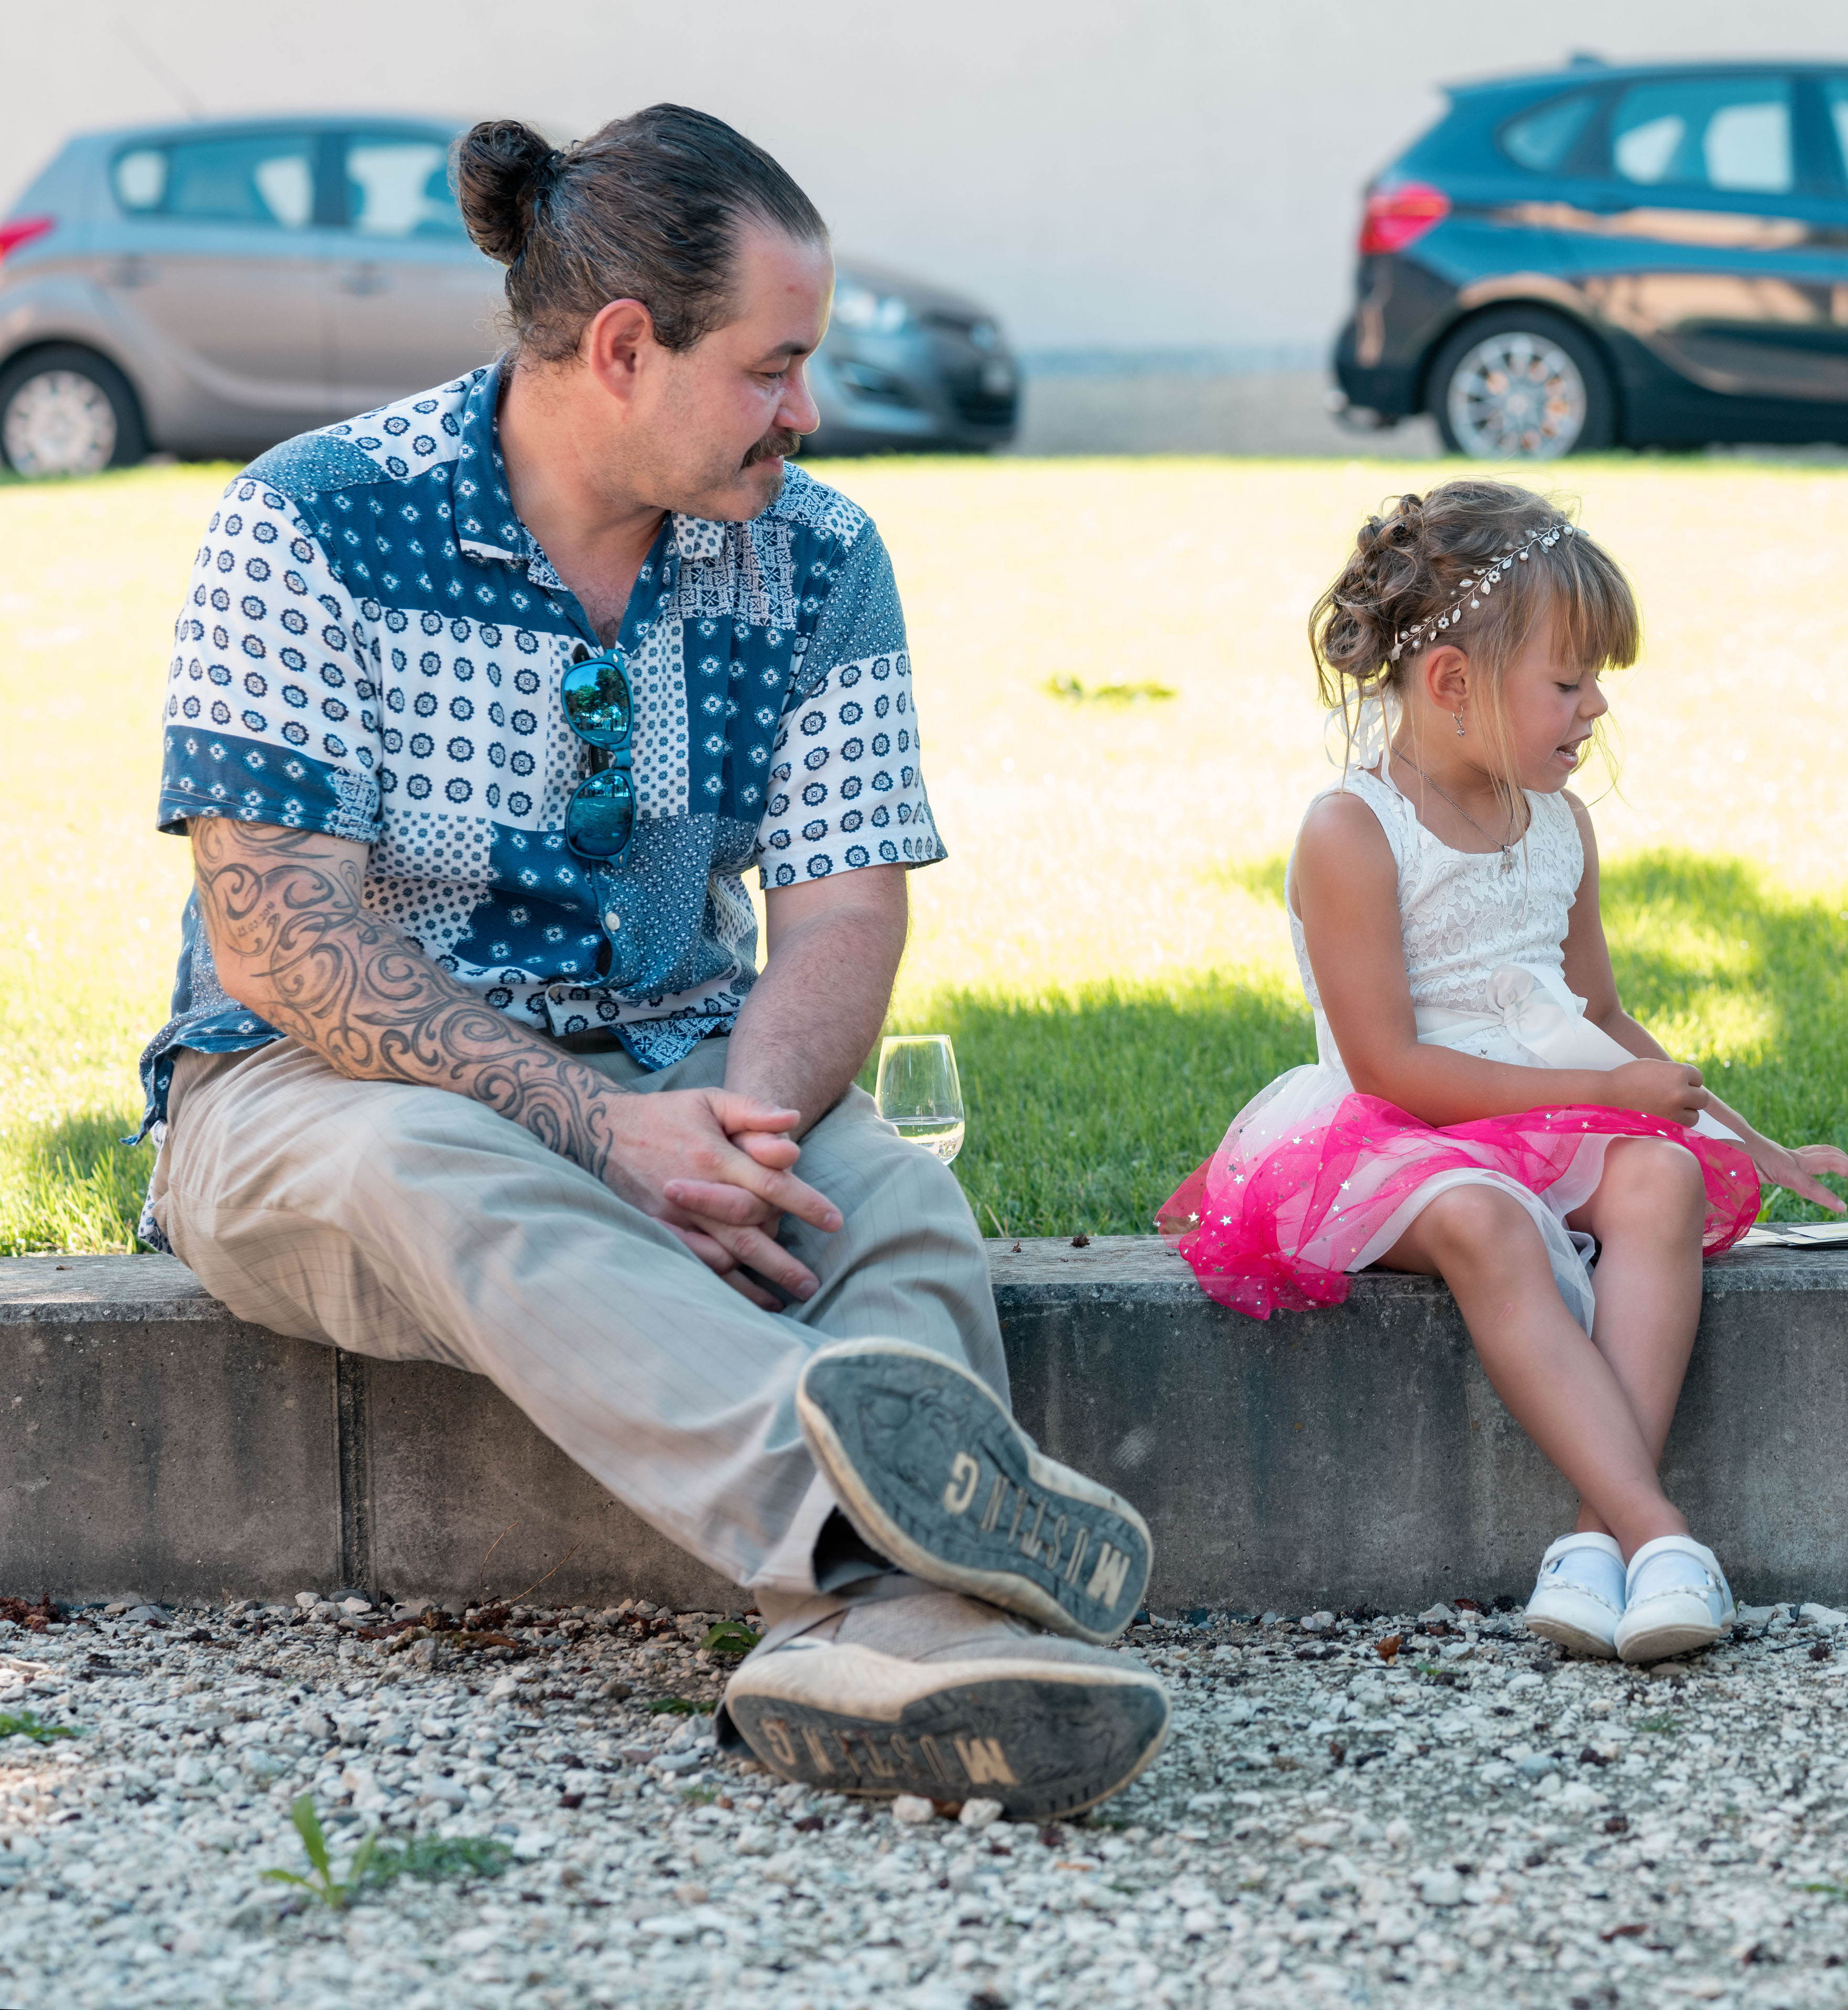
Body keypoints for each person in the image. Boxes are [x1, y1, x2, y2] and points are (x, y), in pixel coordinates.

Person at [140, 105, 1170, 1815]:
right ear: (625, 348)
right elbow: (275, 928)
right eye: (774, 367)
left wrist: (748, 1133)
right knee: (448, 1164)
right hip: (313, 1090)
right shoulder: (310, 520)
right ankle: (889, 1544)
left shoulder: (820, 556)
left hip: (683, 1061)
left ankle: (882, 1653)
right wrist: (609, 1134)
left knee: (891, 1197)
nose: (808, 412)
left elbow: (842, 912)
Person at [1157, 479, 1848, 1663]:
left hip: (1531, 1111)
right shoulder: (1353, 832)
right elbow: (1388, 1066)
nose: (1595, 712)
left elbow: (1599, 1011)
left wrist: (1755, 1147)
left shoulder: (1560, 825)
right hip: (1390, 1136)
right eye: (1570, 682)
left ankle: (1595, 1544)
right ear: (1451, 685)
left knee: (1661, 1182)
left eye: (1599, 684)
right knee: (1487, 1219)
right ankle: (1661, 1531)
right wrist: (1597, 1101)